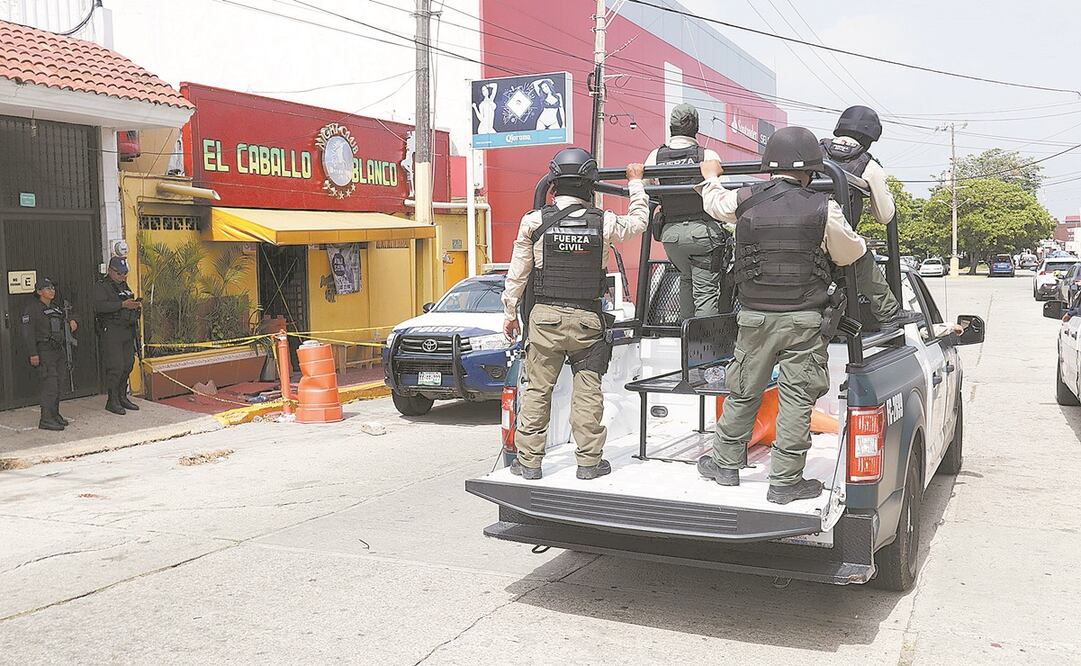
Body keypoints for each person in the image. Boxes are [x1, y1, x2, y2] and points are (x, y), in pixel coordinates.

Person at [695, 126, 881, 504]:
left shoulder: (745, 198)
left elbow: (713, 203)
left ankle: (725, 463)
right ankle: (784, 481)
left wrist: (711, 177)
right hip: (804, 320)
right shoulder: (823, 207)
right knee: (797, 399)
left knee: (743, 390)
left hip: (754, 318)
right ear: (812, 168)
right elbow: (850, 253)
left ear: (770, 164)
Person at [502, 148, 648, 480]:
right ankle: (589, 462)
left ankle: (529, 462)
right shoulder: (604, 221)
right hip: (587, 321)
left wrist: (510, 312)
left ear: (554, 182)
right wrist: (636, 184)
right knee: (588, 392)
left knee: (538, 390)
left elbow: (518, 272)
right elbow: (639, 221)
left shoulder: (534, 221)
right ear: (589, 184)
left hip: (545, 319)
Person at [820, 105, 905, 325]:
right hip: (831, 241)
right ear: (870, 137)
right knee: (860, 253)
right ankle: (888, 312)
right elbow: (885, 216)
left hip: (793, 236)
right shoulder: (868, 165)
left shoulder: (812, 151)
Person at [645, 103, 730, 319]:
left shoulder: (655, 156)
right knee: (705, 292)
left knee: (686, 279)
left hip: (670, 237)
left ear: (671, 128)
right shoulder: (707, 154)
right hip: (702, 235)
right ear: (696, 128)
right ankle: (705, 340)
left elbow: (647, 190)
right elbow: (723, 196)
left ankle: (685, 336)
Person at [20, 277, 77, 431]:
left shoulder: (56, 307)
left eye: (52, 288)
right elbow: (28, 333)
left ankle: (54, 414)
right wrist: (33, 353)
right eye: (47, 288)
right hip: (44, 350)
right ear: (39, 291)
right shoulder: (32, 308)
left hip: (58, 350)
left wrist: (71, 321)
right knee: (50, 385)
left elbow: (66, 319)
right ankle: (45, 419)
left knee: (59, 384)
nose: (52, 291)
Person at [93, 256, 142, 415]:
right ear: (110, 271)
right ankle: (112, 400)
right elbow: (99, 306)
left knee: (128, 364)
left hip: (127, 330)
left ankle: (122, 397)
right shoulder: (102, 286)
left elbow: (128, 302)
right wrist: (122, 304)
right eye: (119, 273)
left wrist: (134, 305)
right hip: (112, 330)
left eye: (124, 273)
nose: (122, 276)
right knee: (116, 367)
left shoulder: (124, 286)